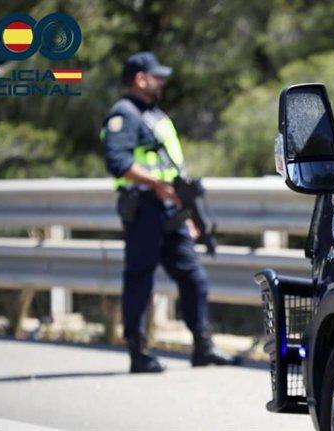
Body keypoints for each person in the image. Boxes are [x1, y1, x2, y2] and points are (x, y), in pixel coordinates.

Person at [100, 51, 239, 373]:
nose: (162, 82)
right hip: (143, 206)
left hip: (169, 207)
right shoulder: (124, 114)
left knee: (193, 276)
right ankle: (138, 353)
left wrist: (185, 211)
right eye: (156, 76)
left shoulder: (155, 115)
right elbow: (118, 162)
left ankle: (203, 347)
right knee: (140, 278)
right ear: (139, 79)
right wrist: (156, 185)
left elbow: (170, 166)